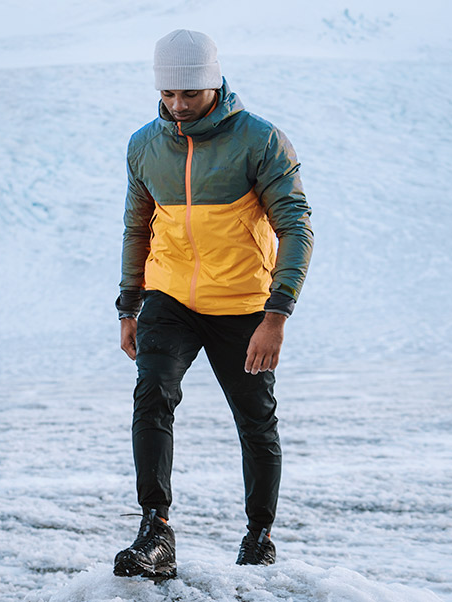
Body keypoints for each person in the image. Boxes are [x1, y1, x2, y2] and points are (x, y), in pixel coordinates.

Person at [113, 29, 314, 580]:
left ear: (215, 82)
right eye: (168, 95)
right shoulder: (145, 145)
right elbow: (137, 229)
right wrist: (129, 306)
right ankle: (155, 531)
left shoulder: (261, 140)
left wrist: (277, 315)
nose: (178, 106)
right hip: (169, 297)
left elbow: (296, 226)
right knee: (151, 394)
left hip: (245, 303)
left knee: (255, 421)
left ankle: (259, 537)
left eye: (190, 95)